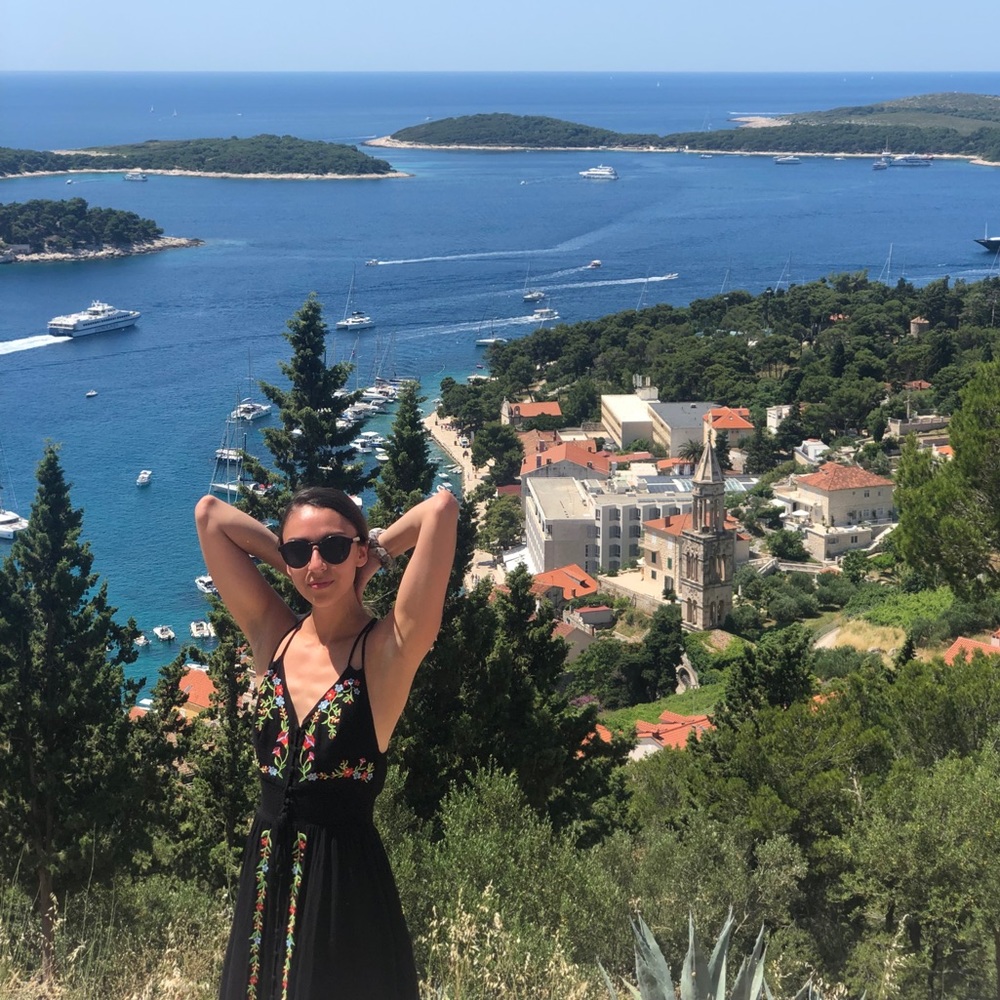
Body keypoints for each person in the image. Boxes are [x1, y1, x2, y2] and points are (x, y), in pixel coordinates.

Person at [195, 484, 458, 1000]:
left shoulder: (387, 651)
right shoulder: (274, 635)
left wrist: (373, 557)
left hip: (345, 895)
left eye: (334, 547)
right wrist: (312, 565)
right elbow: (211, 516)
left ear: (359, 549)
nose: (316, 562)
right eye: (299, 550)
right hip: (264, 881)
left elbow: (440, 509)